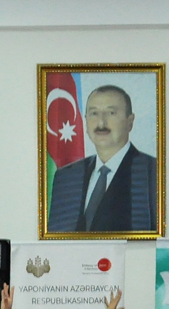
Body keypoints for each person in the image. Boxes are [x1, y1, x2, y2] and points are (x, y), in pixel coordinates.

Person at [44, 84, 159, 233]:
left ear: (130, 121)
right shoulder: (66, 177)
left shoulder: (154, 173)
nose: (101, 123)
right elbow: (56, 239)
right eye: (94, 113)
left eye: (111, 113)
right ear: (85, 120)